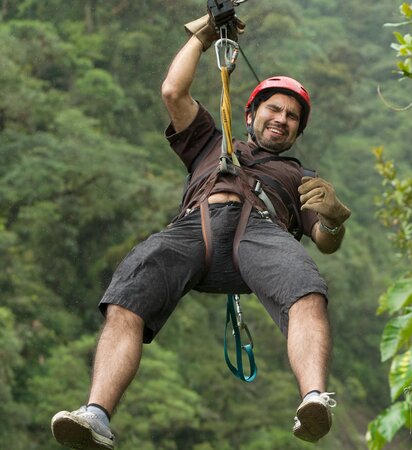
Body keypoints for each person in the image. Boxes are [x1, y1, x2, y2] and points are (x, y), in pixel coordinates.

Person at [50, 11, 350, 450]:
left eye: (291, 116)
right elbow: (174, 90)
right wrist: (205, 33)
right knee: (126, 295)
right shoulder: (211, 139)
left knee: (307, 289)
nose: (281, 119)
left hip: (261, 235)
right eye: (274, 108)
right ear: (251, 114)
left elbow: (325, 243)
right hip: (196, 227)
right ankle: (96, 415)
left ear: (297, 131)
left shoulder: (301, 178)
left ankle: (313, 398)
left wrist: (333, 219)